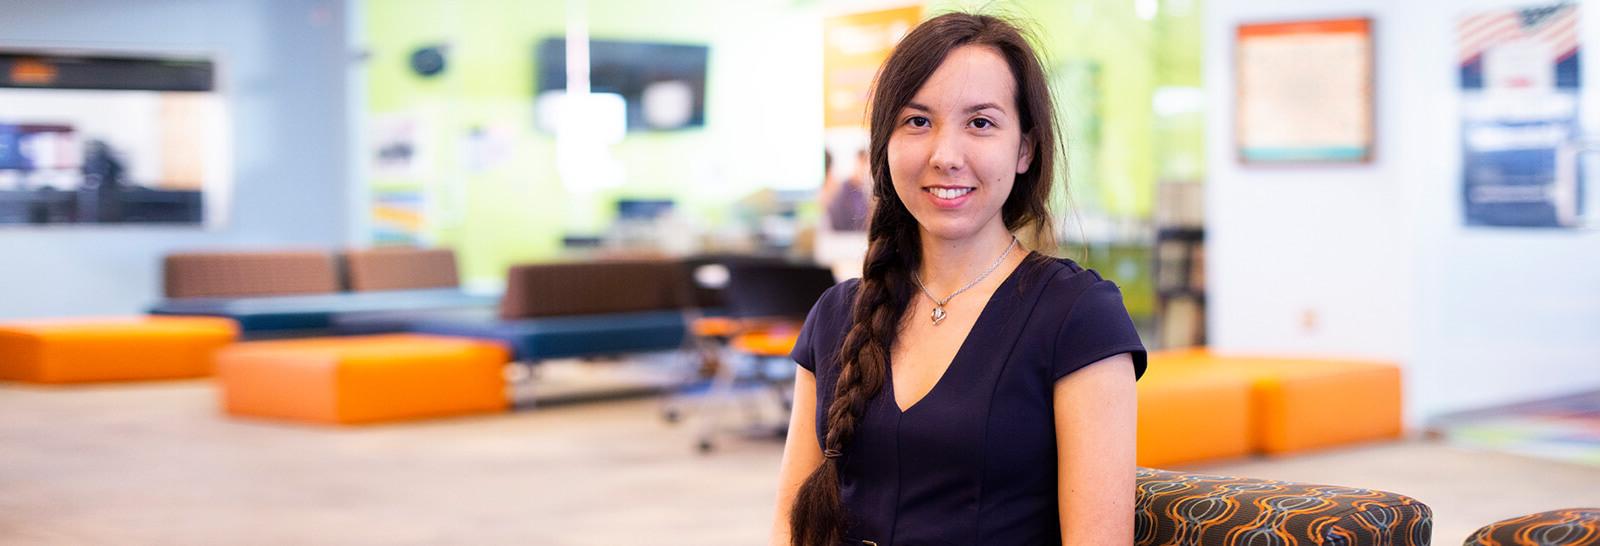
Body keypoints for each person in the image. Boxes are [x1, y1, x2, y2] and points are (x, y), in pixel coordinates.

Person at [771, 12, 1147, 545]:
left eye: (981, 123)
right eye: (918, 121)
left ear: (1025, 150)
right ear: (885, 146)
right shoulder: (836, 315)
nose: (946, 157)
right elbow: (793, 525)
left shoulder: (1078, 316)